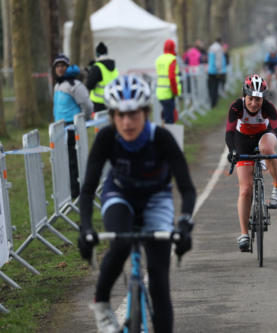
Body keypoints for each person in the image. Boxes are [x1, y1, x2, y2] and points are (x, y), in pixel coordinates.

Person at [77, 74, 196, 333]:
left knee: (159, 282)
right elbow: (87, 190)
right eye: (120, 115)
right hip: (119, 195)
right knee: (120, 243)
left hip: (156, 200)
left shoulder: (162, 139)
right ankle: (101, 306)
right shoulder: (107, 138)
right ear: (112, 116)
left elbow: (186, 188)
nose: (127, 122)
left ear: (146, 112)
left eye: (134, 114)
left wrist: (185, 224)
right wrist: (84, 228)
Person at [225, 74, 277, 252]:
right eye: (251, 99)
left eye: (258, 100)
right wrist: (232, 151)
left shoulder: (268, 107)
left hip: (264, 135)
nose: (254, 104)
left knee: (268, 150)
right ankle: (244, 234)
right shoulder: (236, 107)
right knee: (245, 189)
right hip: (242, 140)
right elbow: (229, 133)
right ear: (244, 96)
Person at [52, 53, 93, 199]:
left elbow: (87, 105)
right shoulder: (58, 85)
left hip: (71, 128)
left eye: (63, 65)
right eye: (57, 66)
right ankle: (70, 191)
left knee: (73, 161)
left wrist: (83, 122)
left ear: (68, 67)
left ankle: (76, 192)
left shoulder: (74, 85)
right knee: (64, 161)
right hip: (59, 128)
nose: (60, 68)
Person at [86, 42, 119, 113]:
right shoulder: (114, 68)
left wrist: (90, 73)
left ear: (97, 54)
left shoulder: (97, 67)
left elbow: (89, 85)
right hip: (112, 102)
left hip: (98, 104)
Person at [156, 39, 182, 124]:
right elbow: (172, 78)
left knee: (165, 117)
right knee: (170, 120)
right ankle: (167, 135)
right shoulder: (172, 59)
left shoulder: (159, 59)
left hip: (160, 92)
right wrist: (176, 91)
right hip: (169, 93)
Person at [207, 37, 227, 108]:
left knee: (211, 87)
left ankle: (212, 102)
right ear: (220, 41)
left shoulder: (211, 47)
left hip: (210, 70)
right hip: (216, 71)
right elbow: (218, 60)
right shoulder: (219, 48)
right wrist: (219, 71)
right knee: (215, 87)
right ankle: (214, 103)